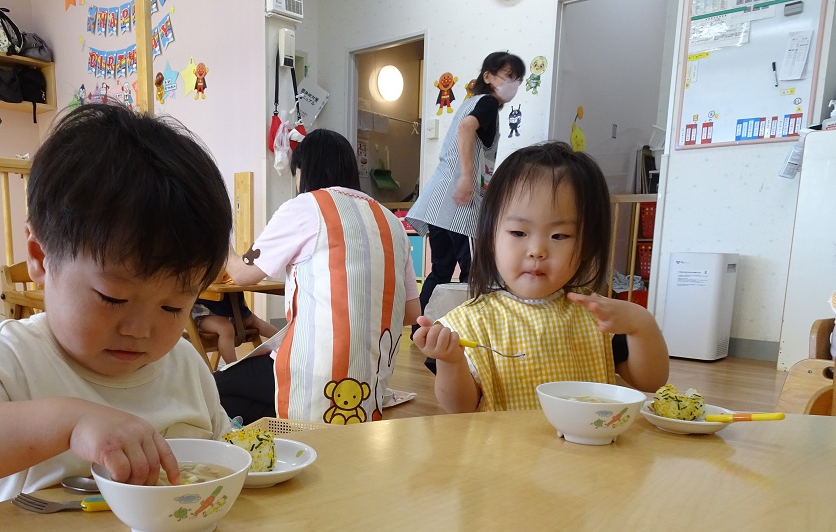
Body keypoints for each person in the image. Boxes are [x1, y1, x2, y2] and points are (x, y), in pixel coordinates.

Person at [0, 103, 235, 510]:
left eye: (172, 307)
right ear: (40, 258)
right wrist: (71, 422)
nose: (139, 330)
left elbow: (225, 460)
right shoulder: (9, 358)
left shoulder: (184, 365)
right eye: (113, 297)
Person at [413, 141, 669, 412]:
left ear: (587, 245)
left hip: (584, 441)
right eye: (518, 233)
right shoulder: (468, 324)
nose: (537, 250)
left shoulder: (595, 317)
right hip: (504, 441)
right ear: (490, 238)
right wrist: (451, 361)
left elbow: (650, 381)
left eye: (559, 235)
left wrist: (641, 324)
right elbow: (460, 408)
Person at [216, 129, 421, 424]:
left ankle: (289, 427)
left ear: (303, 170)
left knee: (211, 388)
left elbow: (242, 274)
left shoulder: (305, 206)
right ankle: (296, 424)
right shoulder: (392, 223)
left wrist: (219, 236)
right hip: (369, 382)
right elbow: (410, 313)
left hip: (309, 371)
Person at [407, 51, 526, 319]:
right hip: (460, 204)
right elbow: (466, 129)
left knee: (440, 271)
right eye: (508, 76)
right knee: (474, 271)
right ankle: (467, 326)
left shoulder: (470, 102)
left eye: (517, 79)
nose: (513, 84)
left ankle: (420, 328)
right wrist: (466, 177)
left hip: (439, 201)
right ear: (488, 76)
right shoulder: (487, 103)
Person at [191, 274, 279, 365]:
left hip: (234, 309)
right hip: (205, 313)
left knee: (254, 320)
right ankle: (233, 365)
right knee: (225, 328)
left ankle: (285, 343)